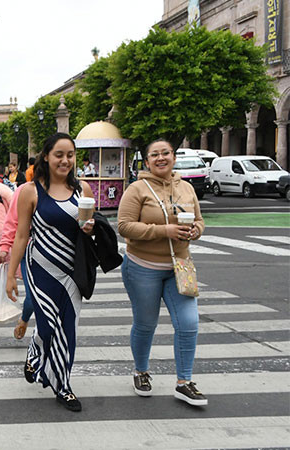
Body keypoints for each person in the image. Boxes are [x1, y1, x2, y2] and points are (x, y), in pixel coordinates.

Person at [5, 133, 95, 412]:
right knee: (46, 325)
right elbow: (22, 235)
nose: (65, 160)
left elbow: (88, 230)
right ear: (47, 156)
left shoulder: (84, 191)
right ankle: (38, 350)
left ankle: (63, 385)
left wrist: (90, 228)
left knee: (68, 330)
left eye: (70, 155)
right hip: (40, 268)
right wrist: (10, 275)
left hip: (72, 271)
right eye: (59, 154)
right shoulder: (31, 191)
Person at [117, 139, 207, 406]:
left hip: (180, 267)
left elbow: (200, 221)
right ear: (147, 162)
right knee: (146, 324)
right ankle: (141, 371)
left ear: (174, 157)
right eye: (154, 155)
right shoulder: (137, 189)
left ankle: (184, 382)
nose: (160, 158)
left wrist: (195, 231)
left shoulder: (187, 188)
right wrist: (162, 231)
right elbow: (124, 226)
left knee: (189, 323)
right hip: (143, 267)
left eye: (165, 153)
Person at [0, 183, 35, 340]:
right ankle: (25, 319)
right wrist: (5, 245)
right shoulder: (27, 190)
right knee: (33, 296)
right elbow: (13, 220)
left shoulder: (72, 188)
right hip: (30, 252)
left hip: (62, 255)